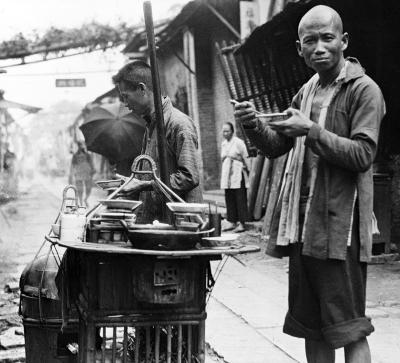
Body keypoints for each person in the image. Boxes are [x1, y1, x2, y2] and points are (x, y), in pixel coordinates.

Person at [234, 5, 385, 363]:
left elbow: (364, 155)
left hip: (339, 225)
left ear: (343, 41)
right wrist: (253, 124)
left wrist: (312, 131)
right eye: (310, 41)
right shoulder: (306, 91)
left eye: (327, 38)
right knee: (311, 325)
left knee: (348, 326)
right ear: (299, 48)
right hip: (301, 224)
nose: (319, 47)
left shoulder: (364, 90)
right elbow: (277, 148)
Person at [112, 60, 202, 223]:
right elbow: (152, 174)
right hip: (157, 222)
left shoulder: (178, 123)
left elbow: (189, 177)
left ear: (142, 88)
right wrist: (132, 183)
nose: (126, 104)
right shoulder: (150, 126)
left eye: (126, 96)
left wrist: (145, 185)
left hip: (179, 225)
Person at [220, 122, 250, 232]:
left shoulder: (239, 143)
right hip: (227, 174)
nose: (225, 133)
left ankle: (242, 223)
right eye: (223, 131)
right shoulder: (224, 144)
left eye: (227, 131)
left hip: (237, 174)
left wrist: (249, 170)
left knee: (240, 198)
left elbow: (246, 157)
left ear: (232, 131)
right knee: (229, 197)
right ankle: (231, 221)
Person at [69, 140, 95, 207]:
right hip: (78, 174)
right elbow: (72, 165)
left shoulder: (88, 155)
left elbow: (91, 163)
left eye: (82, 145)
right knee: (80, 190)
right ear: (78, 146)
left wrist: (93, 170)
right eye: (80, 145)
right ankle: (80, 203)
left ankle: (86, 199)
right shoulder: (75, 156)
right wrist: (71, 175)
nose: (81, 146)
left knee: (88, 188)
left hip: (87, 173)